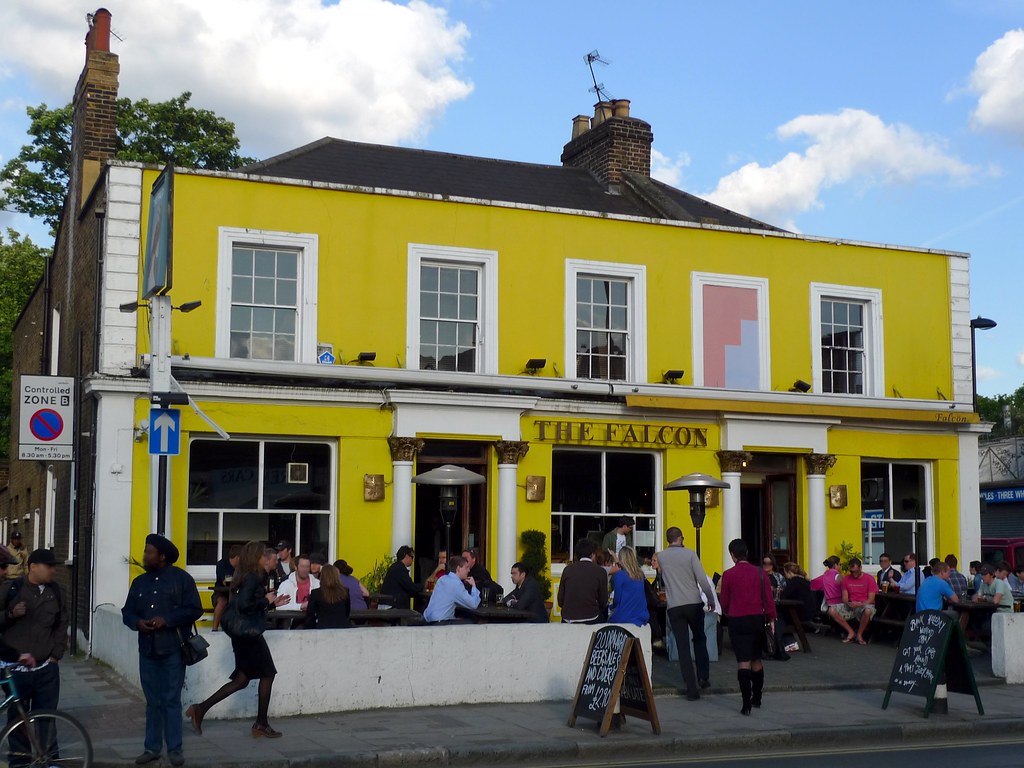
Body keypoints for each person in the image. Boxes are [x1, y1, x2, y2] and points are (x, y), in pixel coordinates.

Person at [186, 542, 290, 740]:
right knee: (268, 674)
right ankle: (261, 723)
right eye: (262, 555)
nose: (265, 558)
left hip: (242, 634)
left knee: (242, 680)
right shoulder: (253, 577)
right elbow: (244, 606)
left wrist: (271, 603)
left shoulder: (247, 576)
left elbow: (247, 606)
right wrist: (266, 601)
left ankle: (200, 709)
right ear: (256, 557)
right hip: (249, 635)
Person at [121, 534, 203, 767]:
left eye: (149, 552)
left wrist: (166, 619)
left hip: (173, 649)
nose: (145, 555)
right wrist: (137, 623)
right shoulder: (140, 583)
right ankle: (152, 748)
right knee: (152, 701)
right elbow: (128, 612)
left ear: (162, 556)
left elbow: (194, 609)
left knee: (171, 699)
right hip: (147, 649)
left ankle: (174, 748)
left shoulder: (181, 579)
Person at [0, 548, 68, 729]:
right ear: (33, 567)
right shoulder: (11, 589)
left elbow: (62, 624)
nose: (53, 570)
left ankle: (47, 756)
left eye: (54, 566)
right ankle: (20, 758)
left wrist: (56, 655)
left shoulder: (58, 592)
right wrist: (10, 614)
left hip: (46, 668)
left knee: (47, 718)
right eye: (49, 566)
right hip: (16, 669)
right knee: (17, 721)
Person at [656, 527, 716, 701]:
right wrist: (710, 599)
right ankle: (703, 676)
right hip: (693, 603)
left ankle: (691, 689)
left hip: (674, 605)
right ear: (681, 538)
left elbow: (662, 577)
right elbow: (702, 580)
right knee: (699, 638)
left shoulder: (661, 557)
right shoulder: (690, 554)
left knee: (682, 646)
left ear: (668, 539)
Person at [720, 538, 776, 716]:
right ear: (747, 553)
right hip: (757, 619)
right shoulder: (760, 574)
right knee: (756, 659)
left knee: (742, 661)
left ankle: (746, 704)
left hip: (737, 620)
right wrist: (772, 620)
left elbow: (725, 602)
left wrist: (730, 612)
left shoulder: (728, 575)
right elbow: (769, 600)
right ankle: (757, 697)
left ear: (732, 555)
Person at [556, 539, 608, 625]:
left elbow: (560, 600)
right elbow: (603, 602)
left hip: (568, 618)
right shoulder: (600, 571)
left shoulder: (567, 570)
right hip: (591, 618)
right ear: (592, 555)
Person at [423, 555, 480, 623]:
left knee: (460, 617)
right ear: (458, 569)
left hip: (427, 619)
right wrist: (473, 585)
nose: (469, 570)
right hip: (440, 622)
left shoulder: (442, 579)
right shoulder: (456, 584)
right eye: (466, 567)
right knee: (472, 622)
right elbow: (473, 604)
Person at [837, 557, 877, 645]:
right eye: (851, 572)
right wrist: (848, 603)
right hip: (851, 604)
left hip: (864, 604)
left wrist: (860, 604)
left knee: (867, 611)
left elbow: (871, 599)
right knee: (831, 610)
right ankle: (850, 631)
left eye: (856, 571)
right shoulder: (846, 579)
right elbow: (844, 597)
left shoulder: (869, 579)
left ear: (860, 568)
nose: (854, 574)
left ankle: (859, 634)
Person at [777, 562, 817, 648]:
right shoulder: (805, 581)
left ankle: (787, 642)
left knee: (777, 616)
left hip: (800, 613)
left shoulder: (794, 582)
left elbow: (783, 596)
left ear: (789, 572)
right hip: (809, 612)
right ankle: (790, 641)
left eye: (785, 573)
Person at [608, 546, 649, 627]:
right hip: (641, 616)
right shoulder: (640, 574)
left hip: (624, 617)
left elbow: (617, 600)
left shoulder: (619, 575)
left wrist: (610, 606)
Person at [810, 556, 848, 637]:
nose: (840, 566)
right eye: (840, 564)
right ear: (835, 565)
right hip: (838, 603)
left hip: (827, 604)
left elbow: (814, 585)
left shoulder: (825, 575)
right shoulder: (838, 576)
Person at [304, 565, 351, 629]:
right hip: (342, 628)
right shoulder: (345, 591)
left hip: (323, 628)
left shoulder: (316, 593)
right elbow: (347, 612)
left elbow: (310, 615)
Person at [213, 545, 241, 632]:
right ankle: (214, 629)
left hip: (236, 593)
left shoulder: (242, 568)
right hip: (221, 593)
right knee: (222, 601)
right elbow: (224, 582)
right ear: (237, 557)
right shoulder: (222, 564)